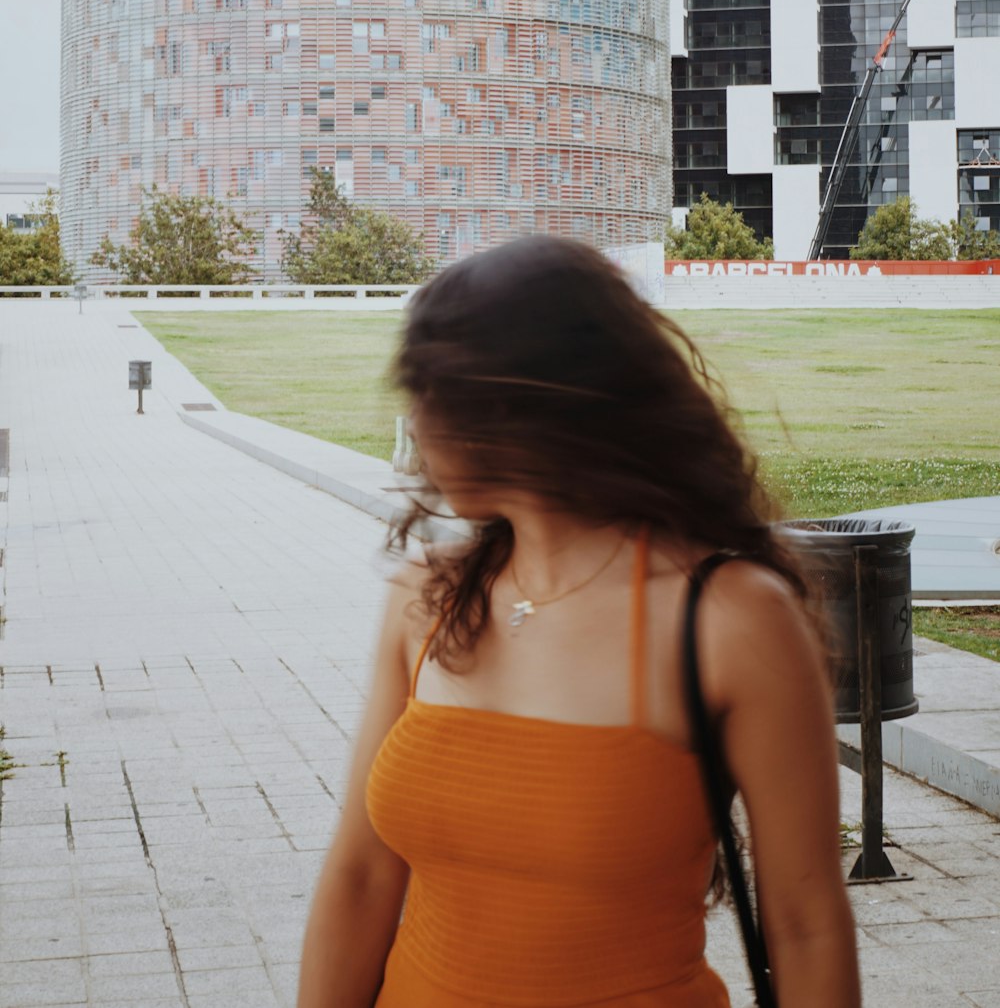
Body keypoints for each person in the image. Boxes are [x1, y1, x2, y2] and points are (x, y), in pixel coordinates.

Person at [297, 235, 861, 1008]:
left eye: (427, 391)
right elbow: (361, 875)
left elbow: (805, 924)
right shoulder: (424, 596)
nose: (415, 426)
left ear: (506, 404)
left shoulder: (730, 619)